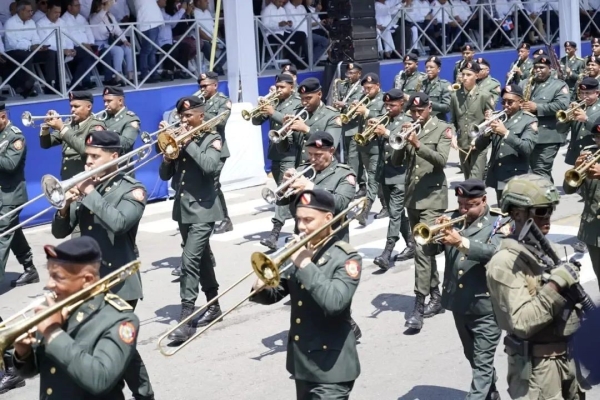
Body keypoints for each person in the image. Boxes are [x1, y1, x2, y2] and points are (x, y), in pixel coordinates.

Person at [50, 129, 154, 400]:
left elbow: (120, 224)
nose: (88, 163)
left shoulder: (133, 189)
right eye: (87, 158)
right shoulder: (88, 190)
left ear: (114, 156)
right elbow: (60, 232)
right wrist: (64, 206)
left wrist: (89, 193)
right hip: (91, 282)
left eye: (95, 157)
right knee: (114, 345)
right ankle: (137, 392)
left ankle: (141, 393)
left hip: (120, 281)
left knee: (112, 343)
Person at [250, 189, 361, 400]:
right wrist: (261, 287)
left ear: (328, 219)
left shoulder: (346, 257)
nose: (301, 226)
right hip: (302, 364)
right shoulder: (299, 251)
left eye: (308, 220)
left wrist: (305, 264)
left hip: (332, 368)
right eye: (298, 219)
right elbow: (278, 293)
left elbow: (335, 303)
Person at [486, 174, 583, 400]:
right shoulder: (504, 262)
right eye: (540, 211)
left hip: (565, 360)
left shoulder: (543, 251)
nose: (547, 217)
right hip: (537, 372)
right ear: (518, 214)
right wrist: (556, 284)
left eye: (550, 210)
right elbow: (522, 322)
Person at [10, 236, 140, 399]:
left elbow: (100, 379)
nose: (49, 284)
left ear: (87, 280)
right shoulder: (55, 306)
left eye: (58, 277)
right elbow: (33, 370)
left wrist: (53, 333)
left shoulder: (120, 320)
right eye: (49, 275)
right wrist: (23, 353)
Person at [426, 179, 503, 400]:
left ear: (484, 200)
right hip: (459, 302)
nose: (464, 209)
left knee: (481, 363)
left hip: (486, 305)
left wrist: (461, 243)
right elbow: (432, 250)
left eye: (470, 204)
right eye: (461, 203)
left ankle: (481, 393)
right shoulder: (454, 220)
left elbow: (495, 252)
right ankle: (492, 392)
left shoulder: (499, 223)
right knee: (473, 356)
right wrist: (432, 235)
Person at [159, 96, 223, 342]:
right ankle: (214, 303)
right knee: (202, 258)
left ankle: (187, 315)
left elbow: (209, 167)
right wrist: (167, 156)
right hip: (184, 209)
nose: (183, 120)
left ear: (200, 116)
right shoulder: (180, 140)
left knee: (189, 259)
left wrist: (187, 143)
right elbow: (165, 176)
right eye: (181, 117)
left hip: (204, 209)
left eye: (188, 116)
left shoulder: (212, 138)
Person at [391, 92, 452, 331]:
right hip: (413, 197)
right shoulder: (409, 127)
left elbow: (441, 160)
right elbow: (396, 162)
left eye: (420, 111)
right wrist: (402, 142)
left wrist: (418, 143)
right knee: (425, 252)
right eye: (413, 111)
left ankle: (419, 305)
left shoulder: (443, 128)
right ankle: (435, 297)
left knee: (422, 251)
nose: (416, 115)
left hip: (433, 198)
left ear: (429, 109)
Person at [253, 74, 302, 251]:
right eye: (277, 87)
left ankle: (275, 232)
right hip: (274, 154)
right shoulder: (275, 101)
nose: (279, 90)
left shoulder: (298, 101)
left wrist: (273, 112)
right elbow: (255, 121)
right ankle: (301, 230)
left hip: (289, 153)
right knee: (292, 197)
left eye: (282, 87)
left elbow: (292, 122)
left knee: (282, 192)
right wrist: (261, 109)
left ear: (291, 86)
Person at [472, 84, 538, 203]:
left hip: (516, 175)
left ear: (521, 102)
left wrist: (506, 133)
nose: (506, 105)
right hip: (499, 173)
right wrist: (486, 132)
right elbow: (478, 146)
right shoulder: (498, 117)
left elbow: (527, 148)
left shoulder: (529, 120)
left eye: (510, 102)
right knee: (503, 209)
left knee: (516, 211)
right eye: (503, 102)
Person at [371, 88, 414, 270]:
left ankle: (387, 252)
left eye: (393, 105)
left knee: (394, 214)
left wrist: (386, 133)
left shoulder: (407, 122)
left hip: (400, 174)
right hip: (385, 174)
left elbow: (400, 143)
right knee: (397, 213)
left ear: (401, 104)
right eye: (386, 105)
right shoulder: (385, 119)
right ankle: (411, 243)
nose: (388, 108)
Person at [0, 102, 39, 288]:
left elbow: (9, 165)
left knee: (2, 235)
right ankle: (30, 268)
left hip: (11, 196)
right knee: (12, 231)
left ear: (2, 117)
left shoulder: (15, 136)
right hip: (2, 195)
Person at [563, 119, 600, 290]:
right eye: (597, 137)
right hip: (593, 230)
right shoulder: (590, 153)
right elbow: (569, 190)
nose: (599, 141)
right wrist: (577, 169)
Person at [520, 54, 570, 182]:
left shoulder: (559, 85)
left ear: (550, 69)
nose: (538, 70)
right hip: (528, 134)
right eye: (536, 67)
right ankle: (548, 195)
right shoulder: (526, 83)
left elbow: (562, 105)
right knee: (534, 169)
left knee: (541, 169)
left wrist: (537, 107)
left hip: (549, 135)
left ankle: (545, 200)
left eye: (542, 67)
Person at [40, 91, 106, 181]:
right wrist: (45, 128)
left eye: (76, 106)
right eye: (71, 106)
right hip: (67, 177)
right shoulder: (69, 123)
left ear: (89, 107)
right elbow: (46, 144)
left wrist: (62, 128)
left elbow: (85, 149)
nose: (72, 110)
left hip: (85, 179)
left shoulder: (96, 126)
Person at [197, 72, 233, 234]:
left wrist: (200, 110)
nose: (202, 89)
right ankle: (209, 216)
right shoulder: (199, 102)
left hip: (217, 150)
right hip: (201, 149)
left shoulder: (223, 101)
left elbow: (221, 121)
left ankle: (225, 219)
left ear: (215, 85)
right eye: (200, 86)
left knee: (213, 184)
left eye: (205, 86)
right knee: (206, 184)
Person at [450, 61, 495, 180]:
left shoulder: (484, 96)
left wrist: (480, 138)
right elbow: (453, 121)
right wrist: (453, 136)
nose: (465, 78)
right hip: (463, 145)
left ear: (477, 75)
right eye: (463, 74)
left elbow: (490, 122)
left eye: (469, 75)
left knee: (475, 182)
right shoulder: (455, 96)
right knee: (467, 181)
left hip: (479, 145)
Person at [4, 0, 58, 97]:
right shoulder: (10, 23)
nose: (31, 13)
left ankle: (50, 84)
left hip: (31, 50)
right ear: (21, 11)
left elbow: (36, 38)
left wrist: (38, 46)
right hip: (13, 52)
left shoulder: (32, 22)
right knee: (26, 55)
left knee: (50, 53)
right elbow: (13, 44)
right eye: (29, 11)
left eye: (32, 11)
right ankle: (28, 87)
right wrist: (30, 46)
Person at [353, 72, 385, 226]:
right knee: (376, 179)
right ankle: (386, 206)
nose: (366, 91)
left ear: (378, 86)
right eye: (365, 88)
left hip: (377, 146)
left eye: (370, 88)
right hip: (364, 145)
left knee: (372, 178)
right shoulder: (363, 99)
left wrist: (367, 112)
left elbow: (386, 117)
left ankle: (365, 211)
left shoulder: (385, 99)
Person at [288, 77, 342, 162]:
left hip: (322, 166)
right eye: (302, 98)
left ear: (319, 94)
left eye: (308, 98)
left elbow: (332, 146)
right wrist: (284, 133)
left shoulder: (332, 115)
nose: (304, 102)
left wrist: (306, 129)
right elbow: (284, 149)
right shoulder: (298, 113)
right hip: (301, 166)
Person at [558, 77, 600, 166]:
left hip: (593, 152)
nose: (584, 97)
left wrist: (586, 120)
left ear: (597, 93)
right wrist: (567, 119)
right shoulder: (576, 105)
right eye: (582, 93)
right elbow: (560, 130)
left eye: (588, 93)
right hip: (576, 153)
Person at [335, 62, 364, 192]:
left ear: (359, 74)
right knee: (349, 157)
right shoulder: (344, 85)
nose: (349, 76)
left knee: (353, 158)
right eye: (348, 73)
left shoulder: (361, 88)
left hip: (355, 127)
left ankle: (352, 187)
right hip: (344, 127)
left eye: (352, 73)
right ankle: (362, 184)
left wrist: (344, 105)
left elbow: (356, 106)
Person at [102, 86, 141, 154]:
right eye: (104, 101)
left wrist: (103, 134)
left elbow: (126, 143)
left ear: (120, 101)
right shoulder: (103, 116)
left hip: (120, 162)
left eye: (109, 101)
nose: (105, 104)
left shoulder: (130, 119)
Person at [421, 55, 451, 121]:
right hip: (422, 120)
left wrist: (430, 104)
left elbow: (447, 107)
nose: (428, 69)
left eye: (431, 67)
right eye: (426, 67)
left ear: (438, 69)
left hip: (438, 121)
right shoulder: (421, 83)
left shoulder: (444, 85)